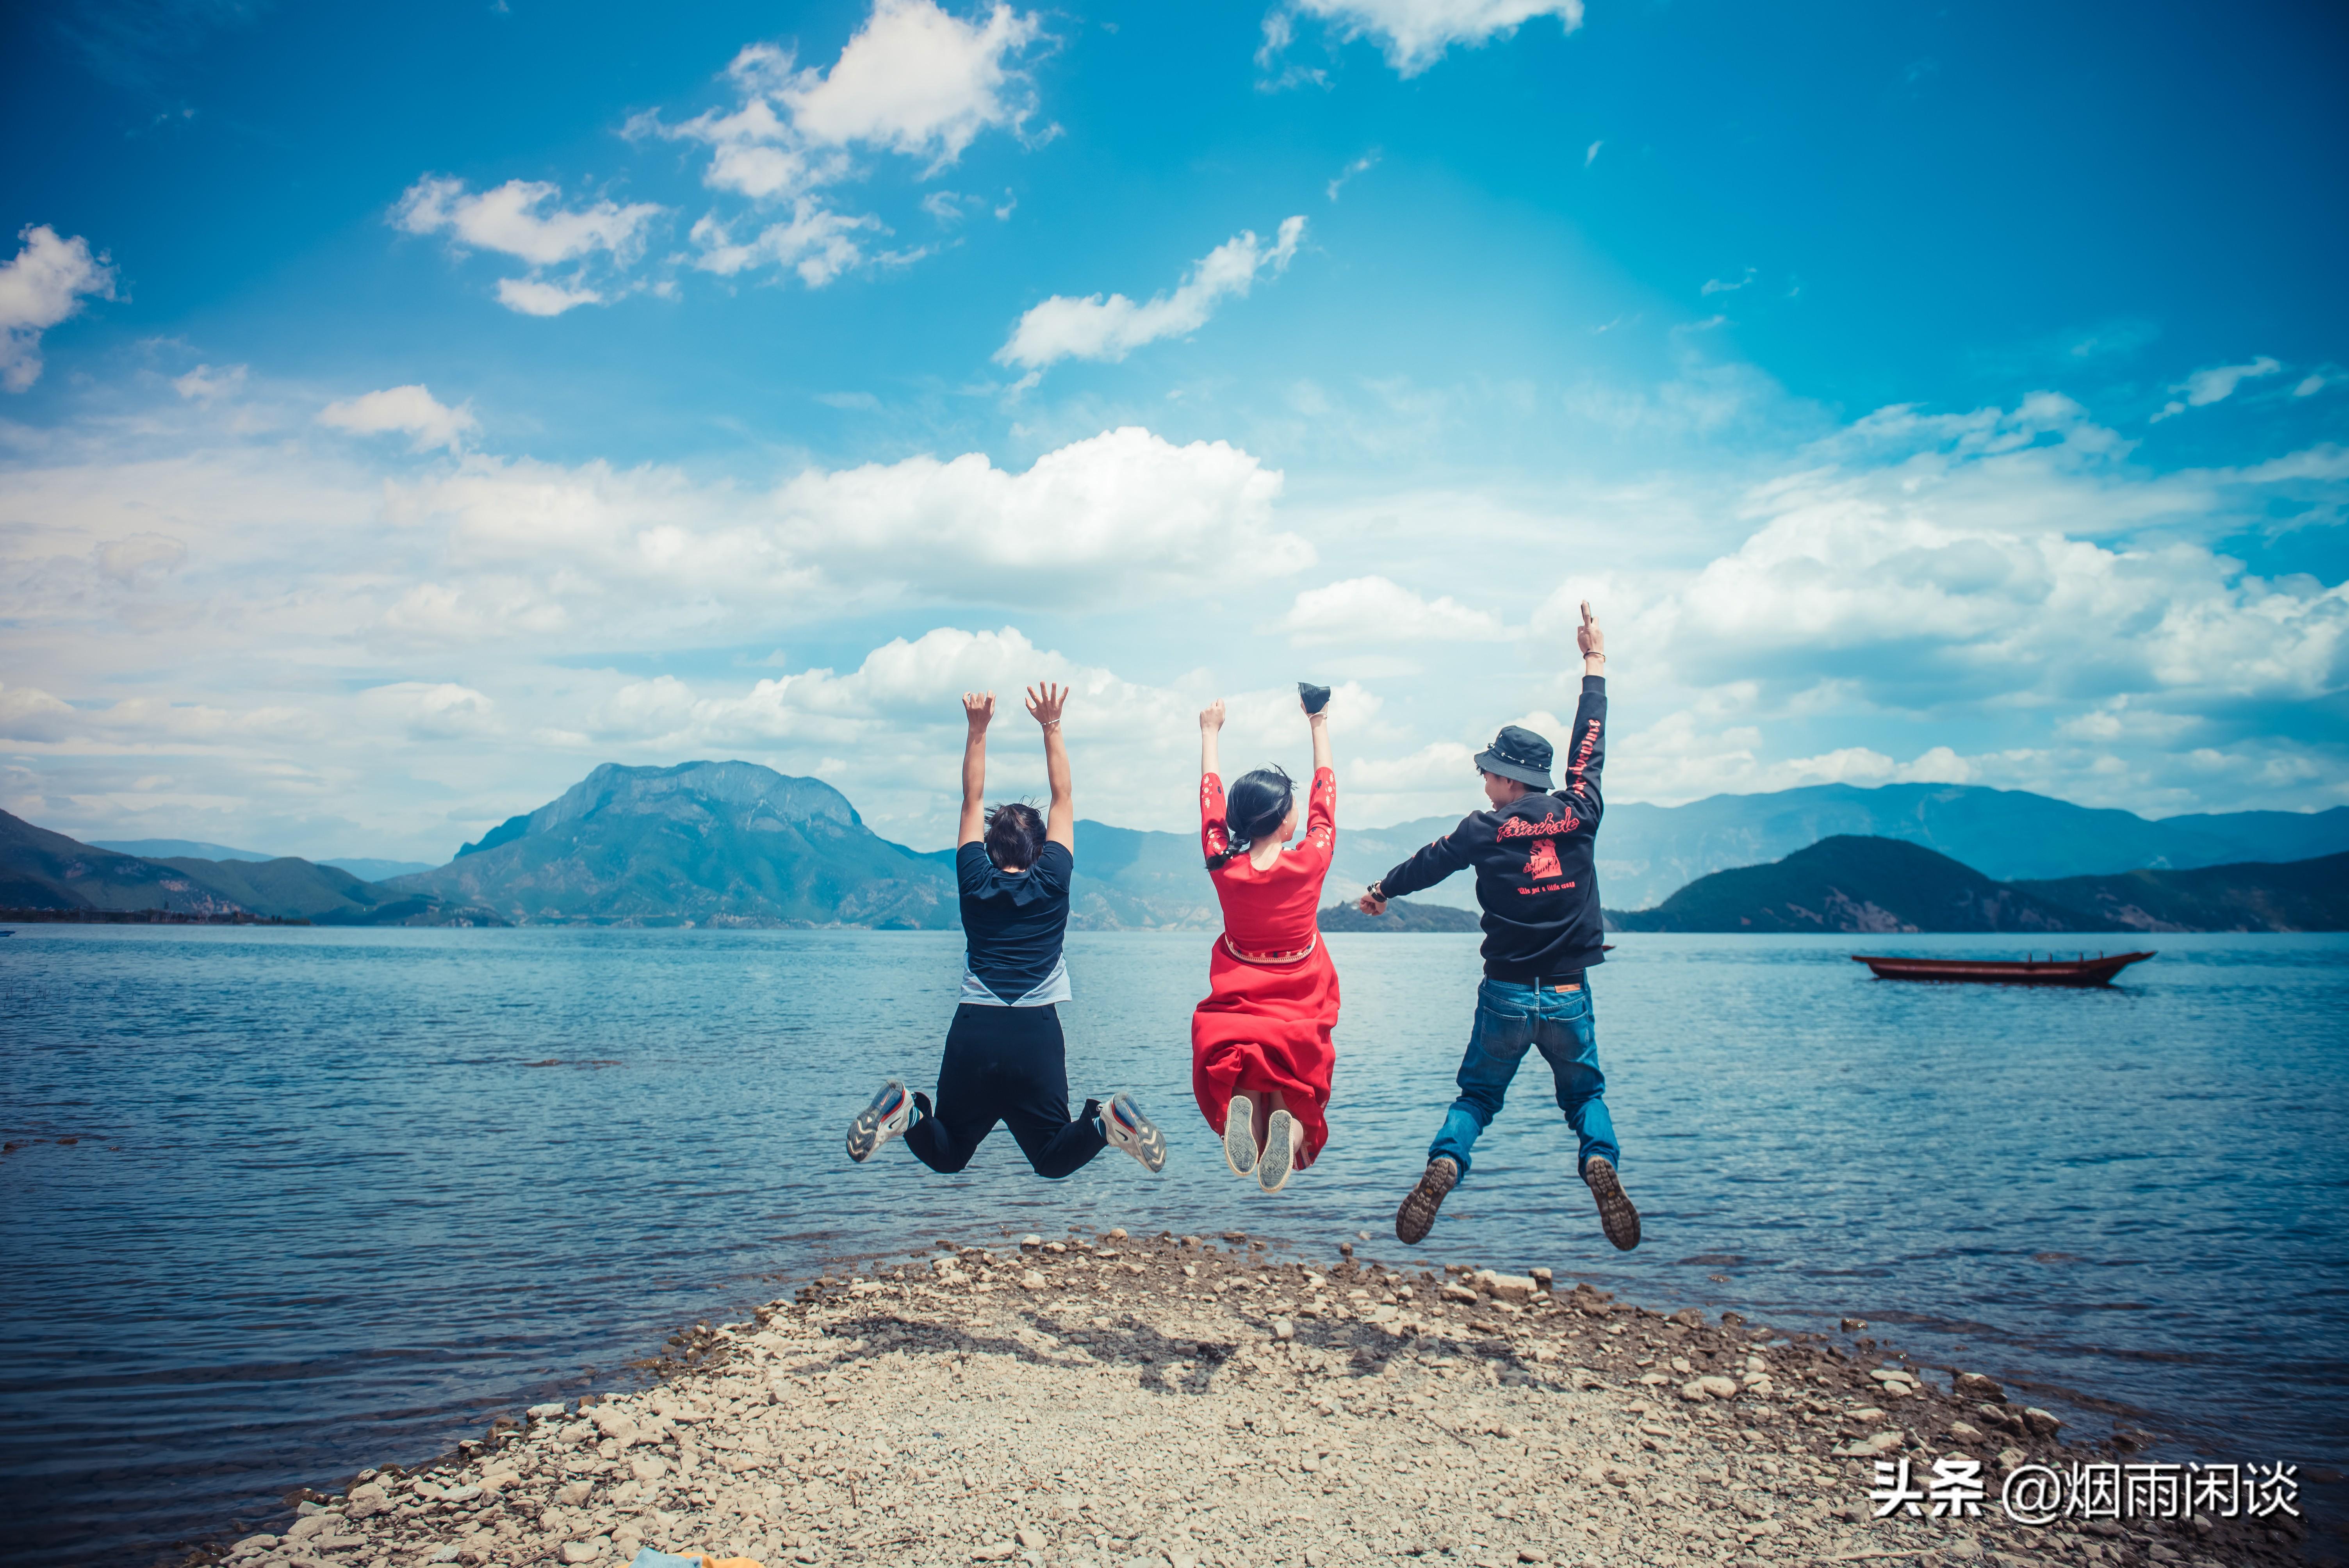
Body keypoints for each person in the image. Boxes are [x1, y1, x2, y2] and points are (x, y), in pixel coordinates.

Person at [1358, 602, 1638, 1251]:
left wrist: (1380, 891)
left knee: (1478, 1098)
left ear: (1509, 778)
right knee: (1584, 1095)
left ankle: (1447, 1164)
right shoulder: (1581, 810)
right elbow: (1590, 748)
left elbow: (1427, 865)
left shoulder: (1481, 829)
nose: (1482, 777)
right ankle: (1599, 1161)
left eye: (1488, 769)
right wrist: (1593, 662)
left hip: (1505, 994)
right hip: (1567, 994)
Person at [845, 682, 1166, 1179]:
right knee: (1052, 1157)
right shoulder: (1054, 876)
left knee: (948, 1152)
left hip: (975, 1030)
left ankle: (906, 1112)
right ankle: (1105, 1124)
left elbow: (970, 797)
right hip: (1035, 1034)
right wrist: (1051, 724)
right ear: (1039, 850)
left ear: (991, 849)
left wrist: (977, 729)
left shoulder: (973, 878)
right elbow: (1064, 795)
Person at [1193, 688, 1340, 1196]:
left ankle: (1246, 1114)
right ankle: (1291, 1129)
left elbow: (1210, 803)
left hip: (1241, 988)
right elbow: (1326, 799)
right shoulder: (1311, 860)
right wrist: (1317, 722)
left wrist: (1210, 733)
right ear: (1284, 820)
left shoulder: (1223, 864)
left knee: (1247, 1074)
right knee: (1299, 1088)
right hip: (1299, 988)